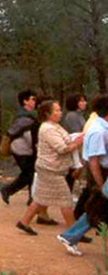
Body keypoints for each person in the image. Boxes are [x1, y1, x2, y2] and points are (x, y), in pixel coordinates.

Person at [16, 100, 84, 235]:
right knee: (66, 201)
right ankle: (74, 232)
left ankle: (24, 222)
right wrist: (77, 142)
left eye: (59, 110)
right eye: (57, 110)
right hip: (51, 169)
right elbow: (62, 148)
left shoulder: (55, 126)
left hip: (50, 167)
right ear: (48, 114)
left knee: (40, 198)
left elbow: (64, 141)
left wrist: (74, 139)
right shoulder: (48, 128)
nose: (60, 113)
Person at [57, 94, 108, 256]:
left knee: (97, 208)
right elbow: (93, 161)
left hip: (101, 172)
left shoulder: (102, 128)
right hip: (101, 173)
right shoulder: (98, 131)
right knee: (96, 207)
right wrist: (100, 185)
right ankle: (69, 236)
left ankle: (70, 236)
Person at [1, 90, 40, 206]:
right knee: (29, 173)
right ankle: (8, 190)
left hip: (24, 149)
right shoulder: (23, 117)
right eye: (32, 99)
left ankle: (31, 197)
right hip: (22, 150)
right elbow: (24, 134)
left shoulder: (27, 115)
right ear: (25, 101)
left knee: (30, 173)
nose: (35, 101)